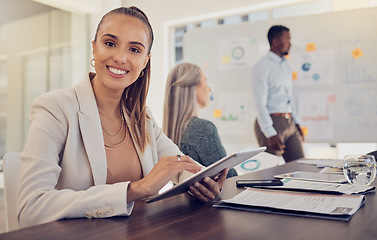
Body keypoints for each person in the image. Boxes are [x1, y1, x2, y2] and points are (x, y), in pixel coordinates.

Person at [16, 6, 228, 228]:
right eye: (110, 43)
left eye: (134, 49)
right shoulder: (55, 109)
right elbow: (30, 208)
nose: (120, 57)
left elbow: (180, 165)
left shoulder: (143, 118)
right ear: (94, 48)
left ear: (145, 61)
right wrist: (136, 189)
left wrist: (201, 181)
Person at [163, 63, 237, 178]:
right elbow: (229, 176)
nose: (209, 89)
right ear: (195, 88)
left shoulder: (170, 131)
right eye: (205, 82)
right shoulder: (202, 128)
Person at [251, 25, 305, 162]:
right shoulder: (262, 66)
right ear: (275, 41)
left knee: (300, 166)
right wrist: (269, 132)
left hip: (290, 122)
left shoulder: (286, 66)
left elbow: (290, 97)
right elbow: (260, 103)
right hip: (272, 122)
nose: (290, 43)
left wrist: (297, 122)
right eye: (287, 39)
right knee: (271, 172)